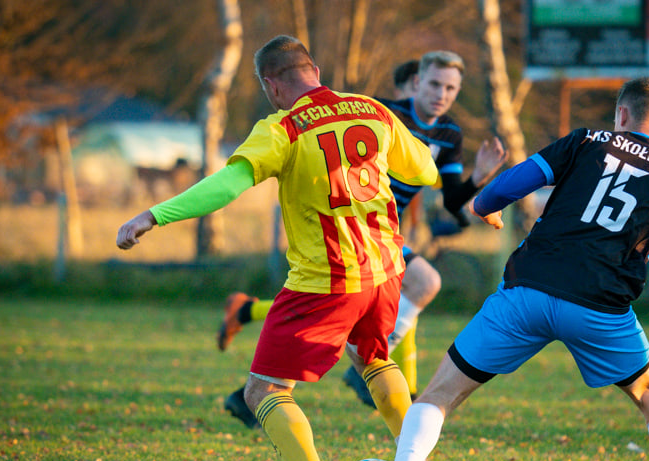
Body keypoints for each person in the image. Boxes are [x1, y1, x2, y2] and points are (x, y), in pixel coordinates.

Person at [358, 76, 649, 461]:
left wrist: (486, 203)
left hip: (527, 292)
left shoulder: (586, 140)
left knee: (439, 393)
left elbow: (517, 181)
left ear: (620, 116)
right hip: (600, 308)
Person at [116, 35, 441, 461]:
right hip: (385, 271)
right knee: (374, 358)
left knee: (262, 390)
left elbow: (226, 185)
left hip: (326, 281)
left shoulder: (283, 128)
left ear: (271, 85)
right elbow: (424, 168)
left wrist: (155, 215)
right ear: (313, 69)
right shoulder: (370, 109)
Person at [218, 51, 508, 424]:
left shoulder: (449, 133)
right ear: (417, 82)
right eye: (435, 84)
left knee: (396, 302)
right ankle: (367, 376)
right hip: (355, 233)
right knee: (419, 285)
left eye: (451, 88)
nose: (442, 94)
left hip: (385, 236)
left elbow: (452, 198)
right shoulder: (381, 112)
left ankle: (256, 351)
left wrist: (480, 180)